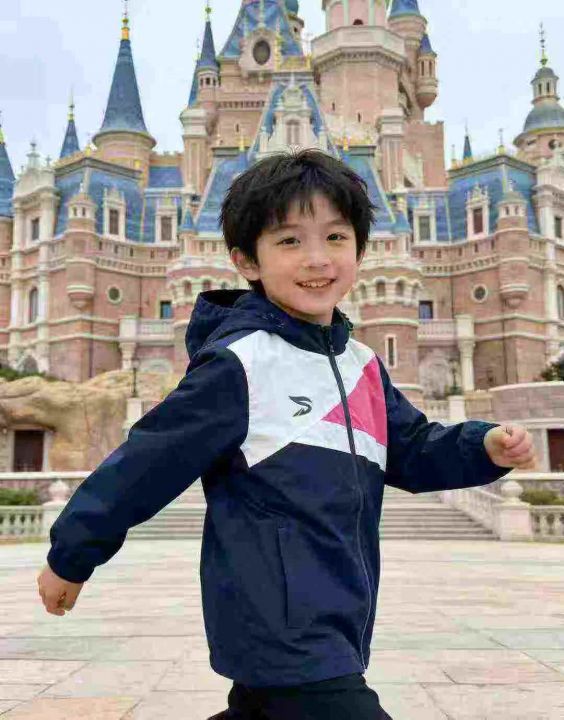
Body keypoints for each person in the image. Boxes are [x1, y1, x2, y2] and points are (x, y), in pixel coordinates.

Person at [37, 150, 537, 720]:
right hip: (277, 619)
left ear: (360, 250)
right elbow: (145, 463)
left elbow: (413, 449)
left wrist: (481, 446)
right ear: (247, 261)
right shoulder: (239, 364)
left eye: (335, 237)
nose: (317, 258)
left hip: (339, 611)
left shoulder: (361, 365)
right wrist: (72, 555)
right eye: (290, 241)